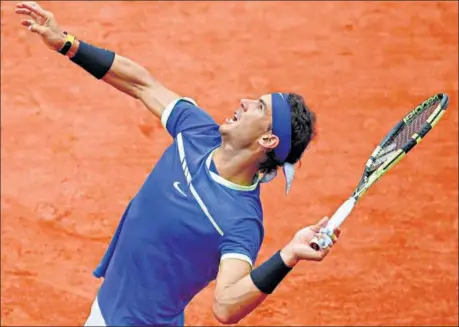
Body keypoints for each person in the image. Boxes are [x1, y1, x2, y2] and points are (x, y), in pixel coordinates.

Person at [15, 2, 341, 326]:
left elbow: (226, 306)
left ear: (268, 140)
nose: (244, 102)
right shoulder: (196, 130)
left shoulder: (241, 221)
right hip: (106, 310)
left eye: (258, 108)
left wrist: (289, 255)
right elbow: (141, 83)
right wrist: (65, 43)